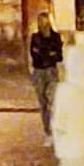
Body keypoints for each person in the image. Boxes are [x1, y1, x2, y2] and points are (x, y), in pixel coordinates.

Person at [29, 10, 64, 138]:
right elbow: (34, 54)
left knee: (53, 100)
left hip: (51, 70)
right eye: (41, 21)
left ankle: (55, 128)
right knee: (43, 103)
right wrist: (48, 53)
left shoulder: (55, 37)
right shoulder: (35, 37)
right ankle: (47, 131)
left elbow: (59, 55)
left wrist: (46, 53)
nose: (43, 24)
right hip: (39, 71)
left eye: (45, 21)